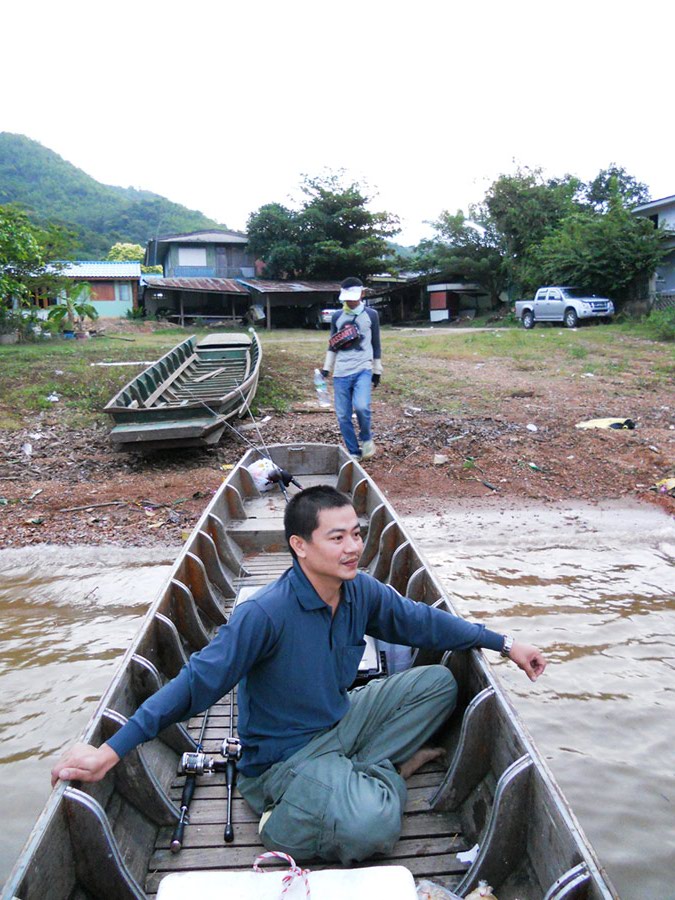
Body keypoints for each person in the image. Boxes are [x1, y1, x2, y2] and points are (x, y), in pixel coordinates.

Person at [51, 486, 547, 865]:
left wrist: (503, 642)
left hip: (340, 722)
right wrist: (109, 751)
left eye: (357, 533)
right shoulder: (264, 615)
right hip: (283, 763)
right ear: (300, 546)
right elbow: (194, 684)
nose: (352, 547)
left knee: (439, 685)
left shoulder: (360, 591)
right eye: (337, 537)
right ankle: (369, 781)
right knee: (371, 827)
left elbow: (422, 621)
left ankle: (361, 772)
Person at [321, 277, 381, 461]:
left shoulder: (371, 314)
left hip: (363, 368)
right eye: (347, 297)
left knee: (362, 407)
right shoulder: (338, 317)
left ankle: (366, 438)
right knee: (343, 415)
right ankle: (353, 451)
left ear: (362, 294)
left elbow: (376, 344)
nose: (350, 301)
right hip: (341, 372)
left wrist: (377, 370)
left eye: (353, 297)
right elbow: (333, 344)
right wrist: (326, 368)